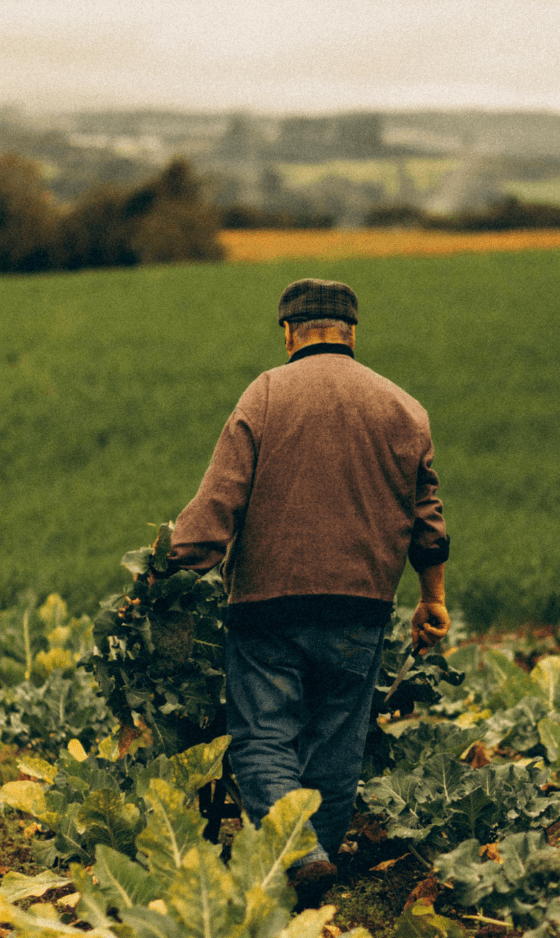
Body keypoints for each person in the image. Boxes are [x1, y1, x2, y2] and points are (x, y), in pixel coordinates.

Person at [169, 277, 450, 906]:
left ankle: (300, 855)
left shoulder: (266, 393)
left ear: (289, 331)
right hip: (362, 605)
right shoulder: (404, 407)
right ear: (352, 332)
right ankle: (309, 885)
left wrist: (171, 562)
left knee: (264, 737)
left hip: (267, 604)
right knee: (337, 741)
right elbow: (428, 520)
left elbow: (219, 500)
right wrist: (432, 598)